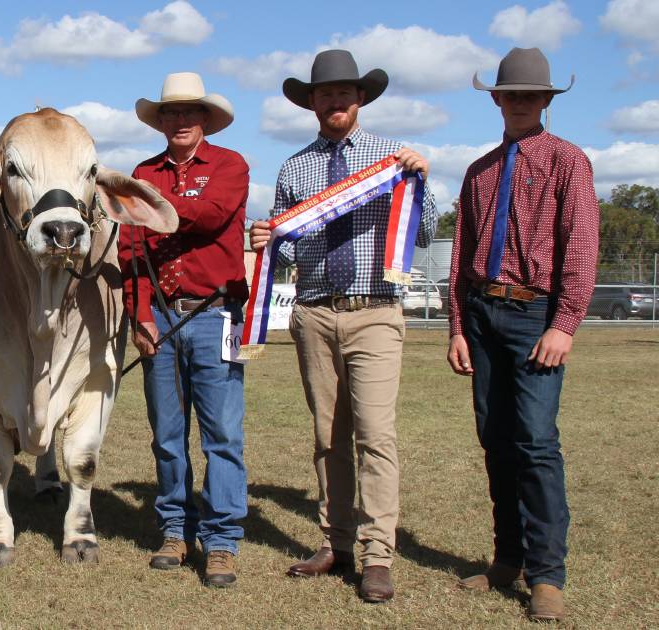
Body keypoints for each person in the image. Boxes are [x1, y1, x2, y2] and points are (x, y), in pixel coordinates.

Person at [249, 49, 436, 602]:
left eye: (345, 93)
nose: (336, 100)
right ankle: (337, 542)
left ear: (361, 99)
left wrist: (422, 181)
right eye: (326, 93)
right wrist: (267, 243)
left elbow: (422, 236)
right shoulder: (294, 168)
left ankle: (379, 555)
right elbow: (284, 254)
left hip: (375, 310)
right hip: (312, 312)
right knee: (327, 436)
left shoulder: (391, 157)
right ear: (312, 102)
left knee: (375, 435)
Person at [445, 47, 596, 623]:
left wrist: (565, 322)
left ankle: (547, 575)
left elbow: (580, 245)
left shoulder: (567, 162)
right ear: (497, 100)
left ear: (546, 101)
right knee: (496, 437)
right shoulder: (481, 169)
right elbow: (462, 253)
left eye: (532, 95)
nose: (519, 102)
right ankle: (507, 557)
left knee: (535, 442)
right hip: (483, 313)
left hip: (536, 316)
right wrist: (459, 325)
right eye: (510, 94)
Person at [119, 72, 250, 588]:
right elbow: (131, 251)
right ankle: (176, 529)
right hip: (164, 315)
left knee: (221, 434)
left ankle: (220, 541)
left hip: (214, 311)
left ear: (205, 120)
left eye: (188, 113)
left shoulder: (229, 165)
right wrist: (141, 314)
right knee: (168, 434)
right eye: (171, 113)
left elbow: (213, 216)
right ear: (162, 121)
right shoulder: (143, 171)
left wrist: (150, 207)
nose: (180, 121)